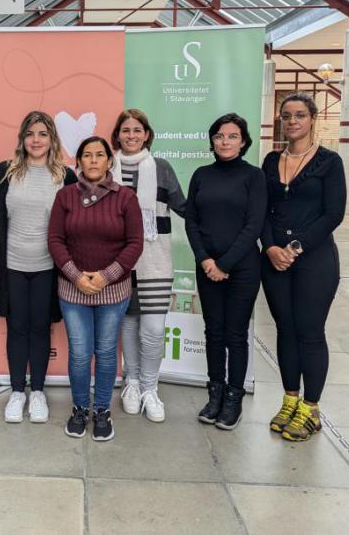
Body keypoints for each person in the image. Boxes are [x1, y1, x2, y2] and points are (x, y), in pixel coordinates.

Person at [261, 92, 346, 442]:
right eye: (286, 116)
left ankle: (311, 409)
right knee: (285, 330)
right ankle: (290, 401)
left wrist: (294, 248)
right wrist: (270, 247)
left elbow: (334, 213)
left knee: (310, 332)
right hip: (274, 261)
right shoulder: (270, 161)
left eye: (299, 115)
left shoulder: (330, 162)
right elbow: (261, 210)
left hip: (315, 260)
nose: (292, 121)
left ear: (312, 119)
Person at [48, 136, 144, 441]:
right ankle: (80, 408)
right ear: (78, 161)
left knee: (105, 352)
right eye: (87, 155)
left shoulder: (125, 197)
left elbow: (135, 243)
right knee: (79, 354)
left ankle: (102, 410)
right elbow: (55, 240)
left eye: (99, 155)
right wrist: (76, 276)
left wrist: (106, 276)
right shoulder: (65, 196)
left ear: (109, 161)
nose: (93, 160)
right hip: (73, 289)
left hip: (113, 291)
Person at [0, 111, 77, 423]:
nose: (36, 140)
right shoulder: (5, 172)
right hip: (11, 265)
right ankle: (17, 392)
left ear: (52, 139)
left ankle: (37, 391)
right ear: (22, 138)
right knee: (17, 327)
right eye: (30, 134)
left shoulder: (66, 176)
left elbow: (74, 224)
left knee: (40, 327)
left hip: (48, 266)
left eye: (42, 134)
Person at [185, 113, 266, 430]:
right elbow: (191, 221)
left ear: (243, 141)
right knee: (214, 332)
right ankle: (215, 394)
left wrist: (224, 264)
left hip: (243, 268)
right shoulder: (201, 175)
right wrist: (205, 260)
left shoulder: (254, 177)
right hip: (206, 267)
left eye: (232, 136)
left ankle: (234, 399)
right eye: (219, 136)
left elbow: (254, 225)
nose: (225, 141)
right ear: (212, 140)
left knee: (235, 334)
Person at [110, 109, 188, 423]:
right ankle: (131, 382)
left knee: (153, 330)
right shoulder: (107, 168)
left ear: (146, 135)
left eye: (137, 130)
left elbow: (184, 207)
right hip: (118, 262)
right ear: (117, 136)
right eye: (125, 130)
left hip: (155, 261)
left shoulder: (161, 168)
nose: (131, 135)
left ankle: (150, 388)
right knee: (129, 324)